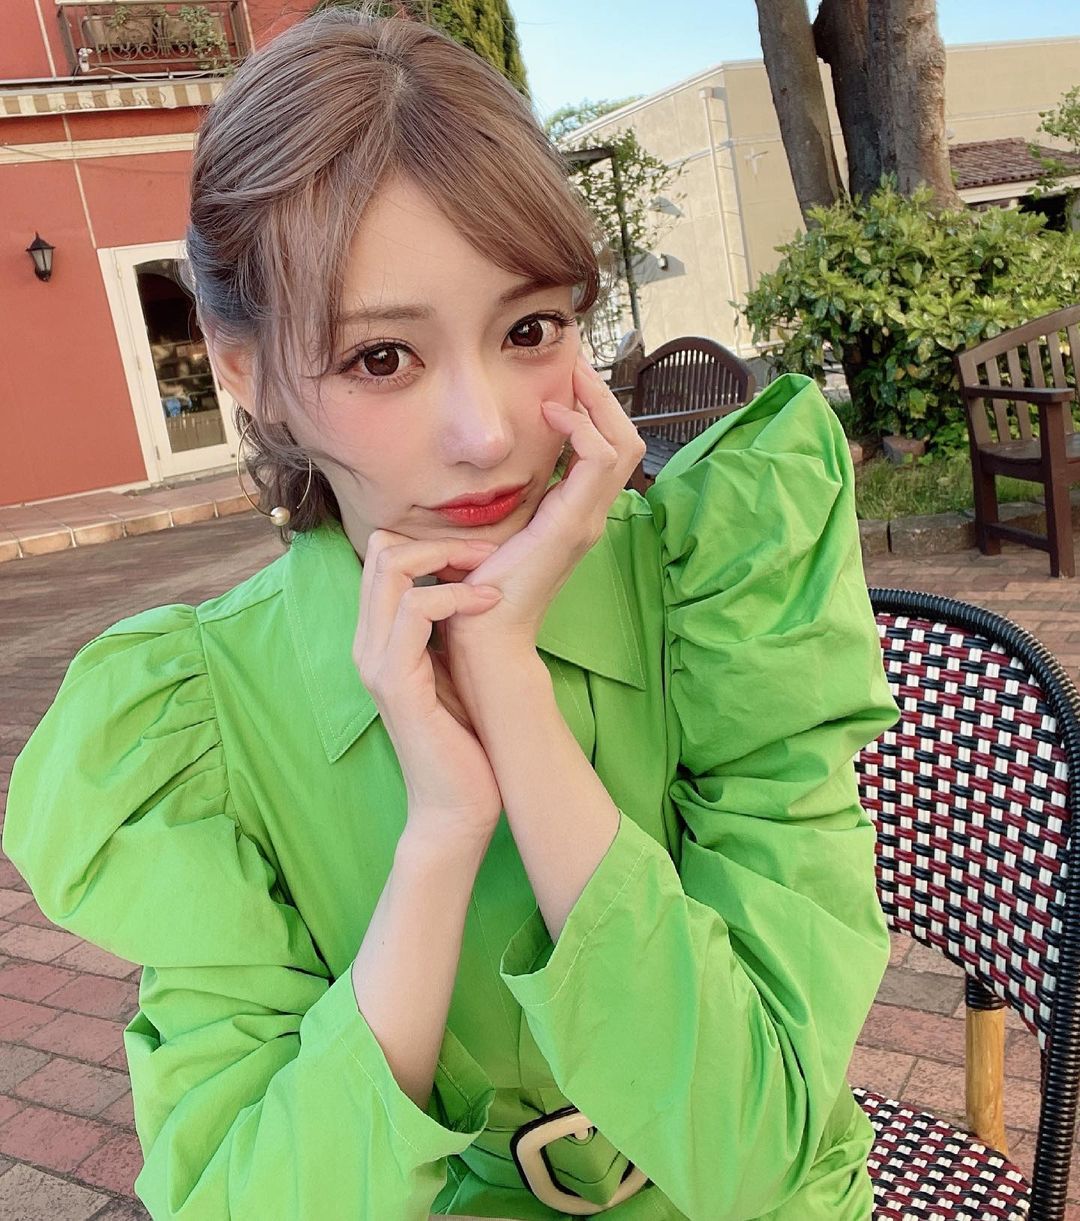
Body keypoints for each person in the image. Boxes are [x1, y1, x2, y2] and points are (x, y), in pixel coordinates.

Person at [3, 9, 899, 1220]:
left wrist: (512, 693)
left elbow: (755, 1154)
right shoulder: (198, 727)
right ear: (243, 368)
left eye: (530, 330)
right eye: (381, 357)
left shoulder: (721, 595)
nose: (486, 434)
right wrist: (440, 838)